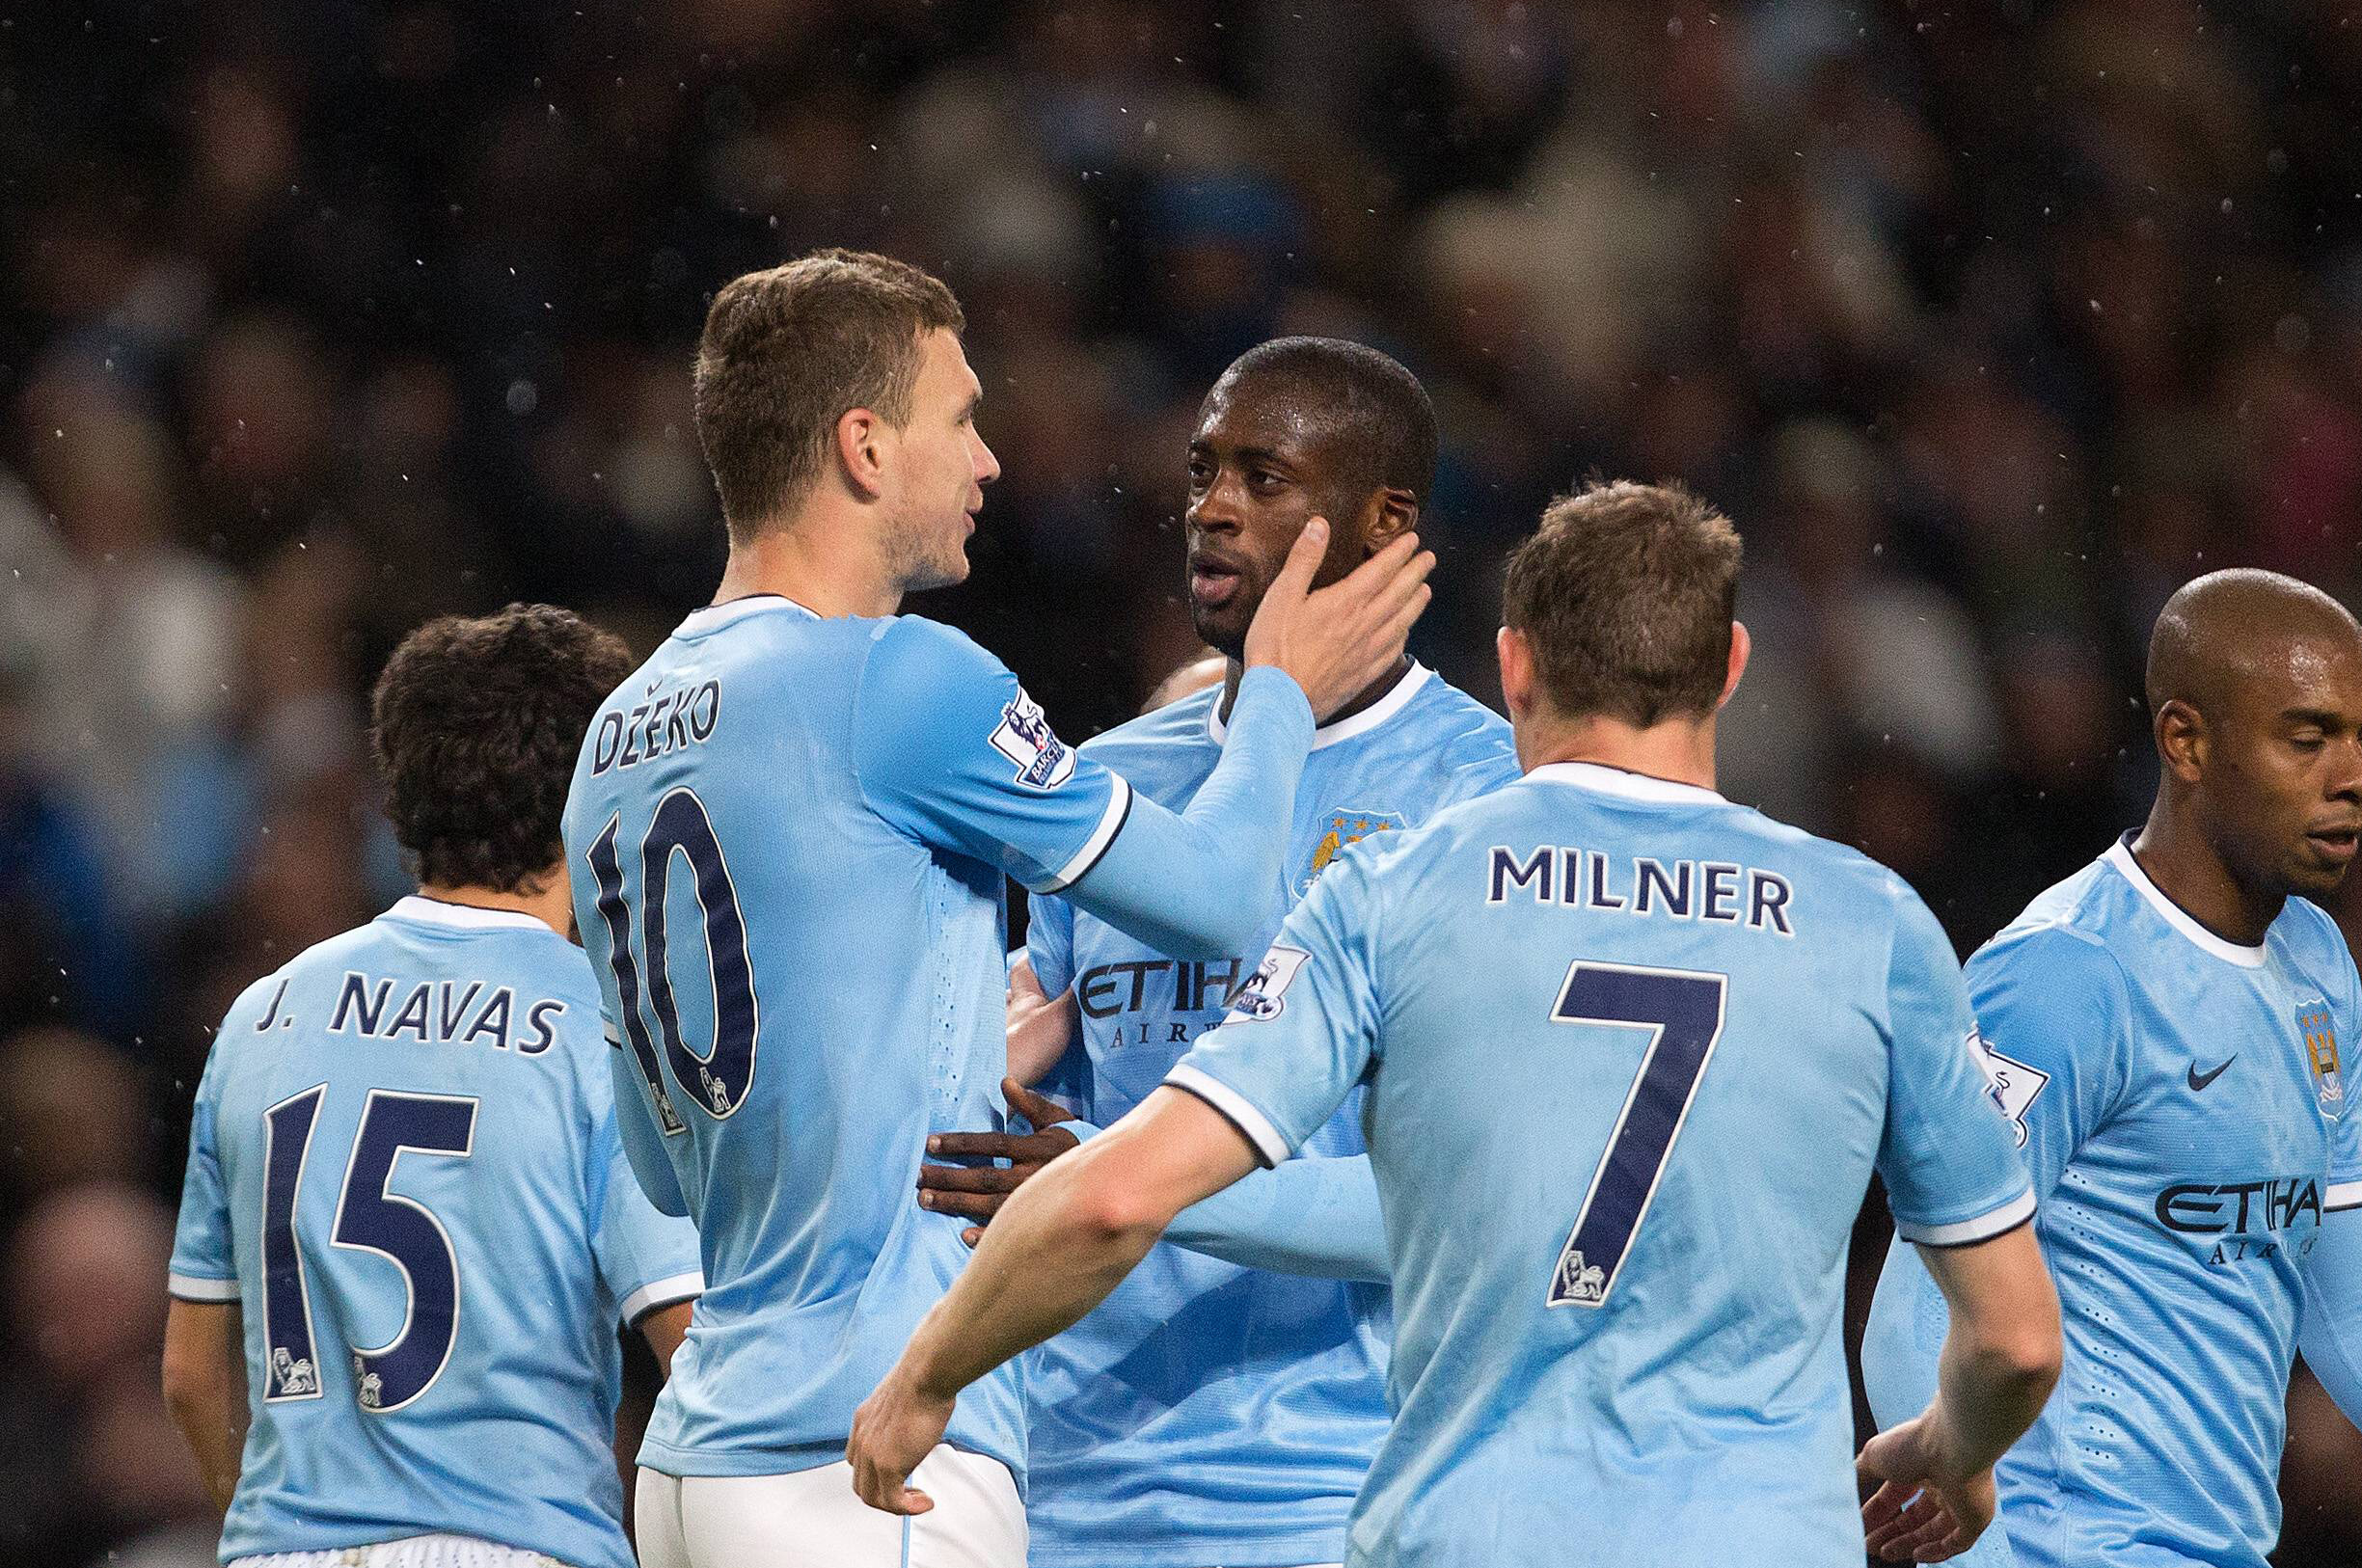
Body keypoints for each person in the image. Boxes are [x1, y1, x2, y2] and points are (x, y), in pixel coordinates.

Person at [850, 482, 2063, 1565]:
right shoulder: (1872, 921)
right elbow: (2014, 1340)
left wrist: (924, 1374)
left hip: (1470, 1527)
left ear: (1515, 665)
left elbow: (1119, 1196)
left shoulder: (1395, 890)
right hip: (1755, 1533)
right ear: (1733, 666)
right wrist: (1947, 1448)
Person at [565, 250, 1428, 1568]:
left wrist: (944, 1040)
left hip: (699, 1461)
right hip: (868, 1456)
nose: (989, 463)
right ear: (864, 445)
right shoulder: (904, 680)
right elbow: (1221, 896)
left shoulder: (622, 727)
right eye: (960, 419)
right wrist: (1277, 692)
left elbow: (655, 1143)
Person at [1858, 569, 2362, 1568]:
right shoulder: (2062, 976)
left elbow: (2359, 1314)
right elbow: (1912, 1313)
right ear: (2185, 741)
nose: (2353, 776)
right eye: (2307, 739)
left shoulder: (2317, 964)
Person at [914, 337, 1517, 1568]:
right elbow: (1040, 1136)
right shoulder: (1110, 785)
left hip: (1333, 1491)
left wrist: (1132, 1184)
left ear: (1385, 520)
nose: (1215, 510)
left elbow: (1454, 1215)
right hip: (1072, 1487)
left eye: (1265, 477)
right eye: (1203, 475)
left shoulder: (1485, 799)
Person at [162, 605, 701, 1568]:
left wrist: (279, 1526)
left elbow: (191, 1378)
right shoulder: (601, 1024)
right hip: (517, 1542)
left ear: (400, 790)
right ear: (595, 795)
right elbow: (694, 1351)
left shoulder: (261, 1016)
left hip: (281, 1547)